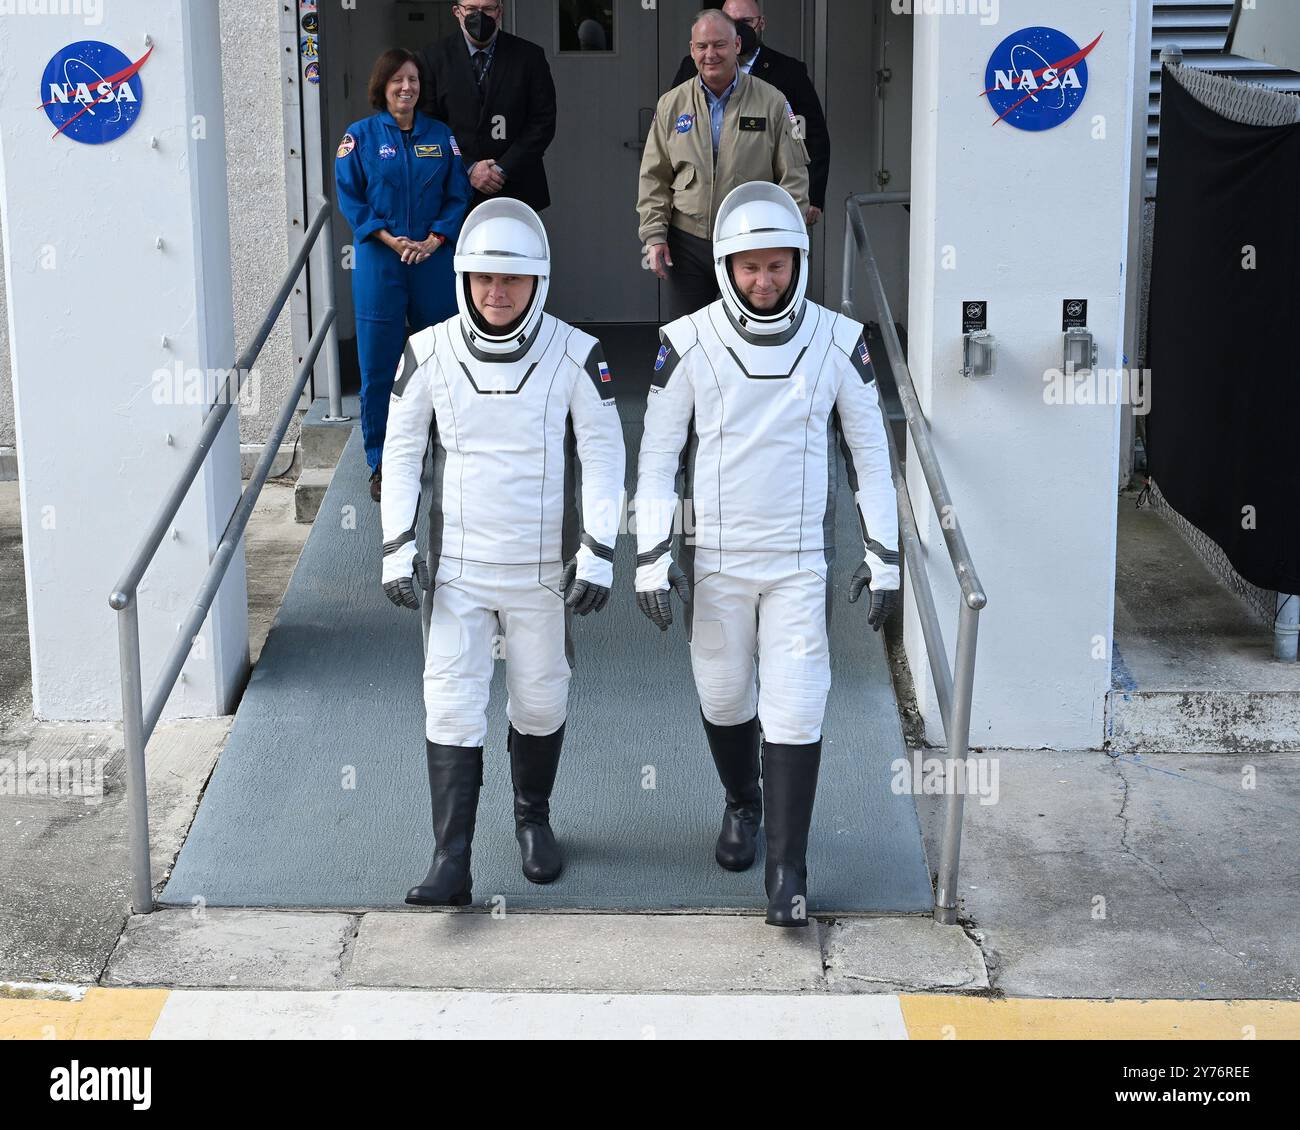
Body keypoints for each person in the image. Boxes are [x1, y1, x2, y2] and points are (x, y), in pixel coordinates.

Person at [633, 183, 899, 927]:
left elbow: (872, 460)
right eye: (749, 267)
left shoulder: (840, 341)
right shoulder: (685, 343)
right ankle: (741, 802)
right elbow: (656, 462)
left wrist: (887, 556)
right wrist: (651, 554)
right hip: (716, 560)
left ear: (798, 262)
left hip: (797, 561)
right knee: (723, 696)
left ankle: (788, 870)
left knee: (798, 702)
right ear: (725, 266)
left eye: (776, 265)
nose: (764, 281)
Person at [380, 198, 625, 906]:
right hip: (457, 573)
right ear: (464, 278)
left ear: (537, 282)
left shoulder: (579, 354)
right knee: (450, 704)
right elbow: (401, 456)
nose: (496, 292)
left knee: (541, 700)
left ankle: (532, 818)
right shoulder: (427, 352)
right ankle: (449, 859)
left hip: (543, 574)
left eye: (511, 280)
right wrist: (396, 545)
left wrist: (600, 549)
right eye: (485, 277)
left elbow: (605, 458)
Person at [336, 48, 472, 502]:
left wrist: (435, 240)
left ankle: (447, 456)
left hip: (433, 262)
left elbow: (458, 195)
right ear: (383, 86)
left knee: (443, 364)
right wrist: (393, 241)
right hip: (380, 262)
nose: (406, 88)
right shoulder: (360, 138)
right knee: (378, 368)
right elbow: (352, 199)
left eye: (413, 80)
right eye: (397, 80)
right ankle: (382, 463)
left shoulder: (441, 136)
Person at [637, 8, 809, 322]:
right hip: (687, 243)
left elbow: (793, 179)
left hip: (752, 244)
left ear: (736, 46)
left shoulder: (771, 101)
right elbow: (654, 177)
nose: (710, 54)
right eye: (702, 47)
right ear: (692, 50)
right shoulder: (671, 104)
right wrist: (654, 237)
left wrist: (786, 244)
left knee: (755, 333)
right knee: (686, 337)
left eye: (719, 45)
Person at [669, 0, 830, 227]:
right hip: (700, 207)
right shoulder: (692, 66)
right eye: (730, 22)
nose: (739, 29)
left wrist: (812, 195)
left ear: (761, 23)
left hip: (765, 203)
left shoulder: (788, 71)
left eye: (745, 22)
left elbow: (809, 133)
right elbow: (671, 130)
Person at [421, 1, 558, 213]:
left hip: (517, 189)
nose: (480, 16)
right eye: (472, 10)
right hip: (453, 191)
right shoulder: (432, 58)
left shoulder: (530, 57)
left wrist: (503, 169)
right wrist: (468, 168)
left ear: (500, 12)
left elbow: (543, 121)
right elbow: (428, 125)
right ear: (457, 12)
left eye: (488, 9)